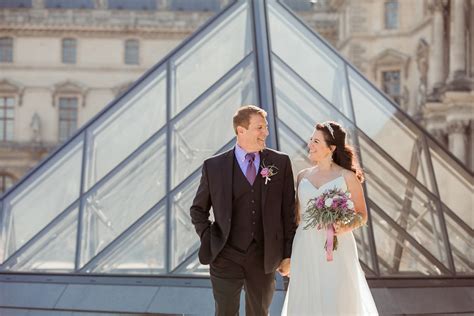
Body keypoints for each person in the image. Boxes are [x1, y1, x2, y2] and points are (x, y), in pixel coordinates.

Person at [190, 105, 297, 316]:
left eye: (265, 127)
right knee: (225, 313)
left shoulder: (280, 163)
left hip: (264, 257)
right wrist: (209, 237)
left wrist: (287, 254)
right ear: (241, 130)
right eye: (260, 127)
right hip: (225, 255)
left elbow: (289, 213)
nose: (265, 132)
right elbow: (198, 210)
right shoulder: (214, 166)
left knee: (260, 313)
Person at [282, 121, 378, 315]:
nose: (310, 144)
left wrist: (343, 227)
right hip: (304, 245)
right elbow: (297, 217)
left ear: (331, 148)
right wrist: (288, 254)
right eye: (311, 139)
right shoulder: (302, 176)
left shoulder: (347, 177)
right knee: (305, 299)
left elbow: (362, 215)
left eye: (316, 141)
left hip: (337, 246)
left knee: (336, 299)